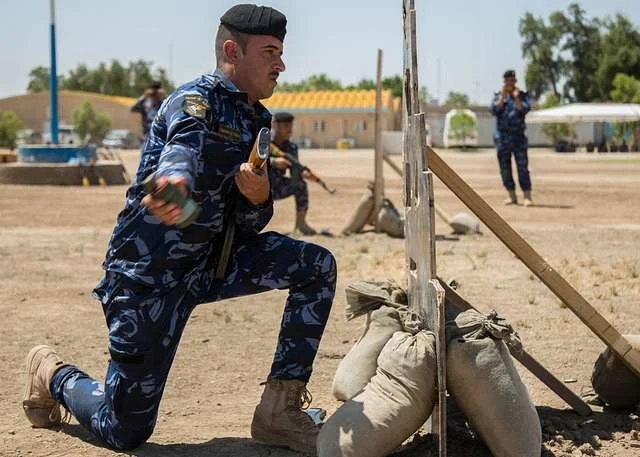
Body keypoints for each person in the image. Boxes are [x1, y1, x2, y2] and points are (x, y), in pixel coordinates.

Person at [22, 5, 336, 455]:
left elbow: (251, 223)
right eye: (270, 52)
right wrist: (175, 185)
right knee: (125, 430)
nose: (281, 64)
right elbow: (180, 151)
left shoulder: (258, 120)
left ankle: (278, 413)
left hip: (212, 265)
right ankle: (54, 375)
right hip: (149, 277)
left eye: (281, 52)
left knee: (315, 265)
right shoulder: (193, 102)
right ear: (233, 51)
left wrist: (258, 195)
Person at [269, 112, 318, 235]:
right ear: (275, 126)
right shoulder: (265, 142)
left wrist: (302, 173)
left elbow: (294, 174)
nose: (289, 130)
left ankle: (301, 224)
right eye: (286, 126)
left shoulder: (291, 147)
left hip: (276, 187)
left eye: (290, 126)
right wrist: (273, 162)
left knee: (301, 185)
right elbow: (251, 160)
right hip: (257, 185)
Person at [490, 69, 533, 207]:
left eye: (512, 80)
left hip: (518, 137)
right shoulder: (498, 95)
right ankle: (511, 195)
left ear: (515, 81)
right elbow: (494, 110)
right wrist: (503, 96)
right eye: (507, 81)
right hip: (502, 138)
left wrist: (516, 98)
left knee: (522, 167)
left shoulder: (522, 95)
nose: (509, 83)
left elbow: (524, 109)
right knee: (504, 168)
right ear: (504, 81)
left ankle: (527, 196)